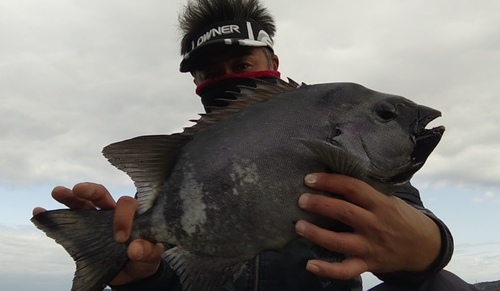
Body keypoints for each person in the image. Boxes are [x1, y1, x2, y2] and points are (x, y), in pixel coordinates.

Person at [33, 0, 478, 290]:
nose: (228, 77)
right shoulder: (188, 163)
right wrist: (138, 273)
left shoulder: (330, 123)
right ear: (195, 83)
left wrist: (430, 244)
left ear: (272, 62)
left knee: (443, 285)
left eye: (241, 62)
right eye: (211, 73)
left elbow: (411, 213)